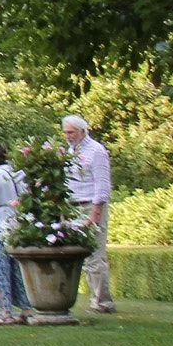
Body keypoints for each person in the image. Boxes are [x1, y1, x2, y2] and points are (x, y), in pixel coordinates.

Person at [62, 114, 115, 313]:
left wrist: (95, 213)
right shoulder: (70, 151)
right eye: (66, 132)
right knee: (76, 256)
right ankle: (83, 298)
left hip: (90, 206)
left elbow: (102, 185)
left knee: (94, 255)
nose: (68, 136)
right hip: (73, 207)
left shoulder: (96, 151)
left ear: (83, 131)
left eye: (71, 132)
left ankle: (102, 302)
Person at [0, 142, 33, 325]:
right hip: (17, 222)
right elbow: (28, 193)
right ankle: (26, 308)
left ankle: (6, 312)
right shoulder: (17, 173)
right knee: (18, 267)